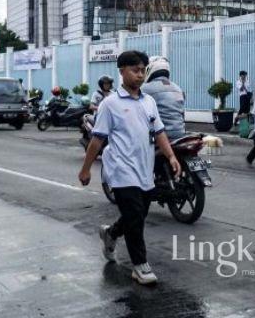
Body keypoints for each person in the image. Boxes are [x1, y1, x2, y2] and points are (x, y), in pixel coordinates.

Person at [78, 51, 181, 285]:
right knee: (135, 216)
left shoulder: (149, 102)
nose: (140, 74)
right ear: (122, 71)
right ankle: (140, 266)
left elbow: (160, 132)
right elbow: (97, 140)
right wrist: (86, 169)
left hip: (144, 169)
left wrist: (171, 156)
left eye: (143, 70)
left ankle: (111, 233)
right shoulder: (110, 104)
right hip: (120, 170)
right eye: (135, 70)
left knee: (137, 215)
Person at [141, 56, 186, 141]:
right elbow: (181, 113)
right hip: (180, 134)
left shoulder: (144, 88)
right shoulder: (177, 88)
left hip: (159, 136)